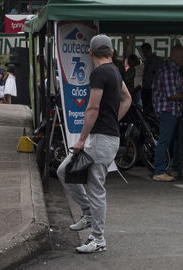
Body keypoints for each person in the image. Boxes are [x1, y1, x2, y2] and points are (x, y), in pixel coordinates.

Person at [56, 34, 132, 254]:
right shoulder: (116, 72)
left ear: (90, 52)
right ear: (111, 52)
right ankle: (88, 213)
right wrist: (114, 119)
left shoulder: (99, 73)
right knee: (65, 170)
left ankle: (98, 239)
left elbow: (92, 108)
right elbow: (127, 98)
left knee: (95, 187)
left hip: (100, 139)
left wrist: (80, 140)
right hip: (105, 138)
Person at [152, 44, 183, 182]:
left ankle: (176, 167)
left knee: (179, 139)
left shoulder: (174, 69)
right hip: (168, 110)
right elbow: (171, 95)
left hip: (174, 110)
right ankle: (159, 171)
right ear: (175, 56)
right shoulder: (168, 71)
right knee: (164, 140)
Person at [140, 43, 165, 114]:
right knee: (145, 111)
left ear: (150, 50)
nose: (144, 54)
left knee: (152, 111)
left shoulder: (158, 61)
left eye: (145, 52)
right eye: (143, 52)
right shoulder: (146, 61)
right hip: (146, 89)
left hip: (154, 90)